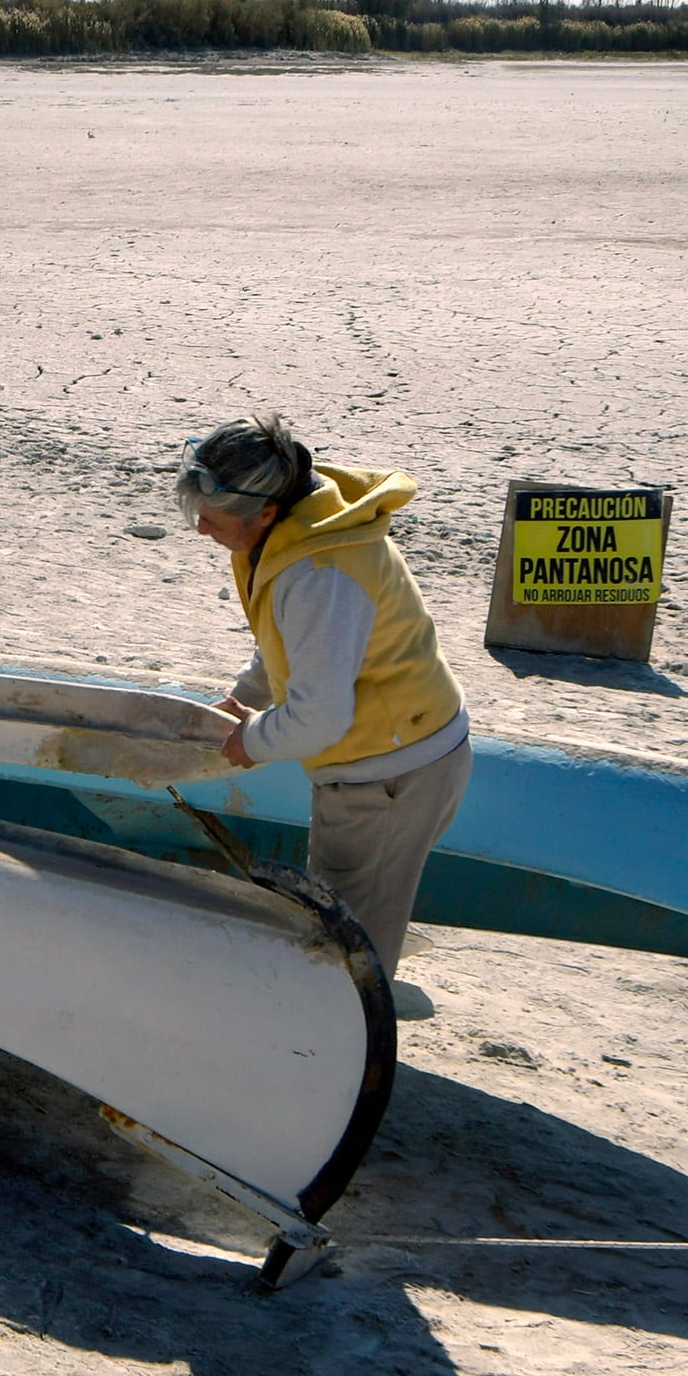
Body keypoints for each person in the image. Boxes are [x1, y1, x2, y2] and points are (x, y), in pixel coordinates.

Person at [178, 413, 470, 985]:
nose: (200, 529)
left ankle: (353, 1064)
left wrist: (252, 740)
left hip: (391, 772)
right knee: (347, 923)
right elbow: (287, 644)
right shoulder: (288, 532)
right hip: (383, 761)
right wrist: (243, 697)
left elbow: (320, 717)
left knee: (349, 953)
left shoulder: (318, 571)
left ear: (265, 511)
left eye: (210, 519)